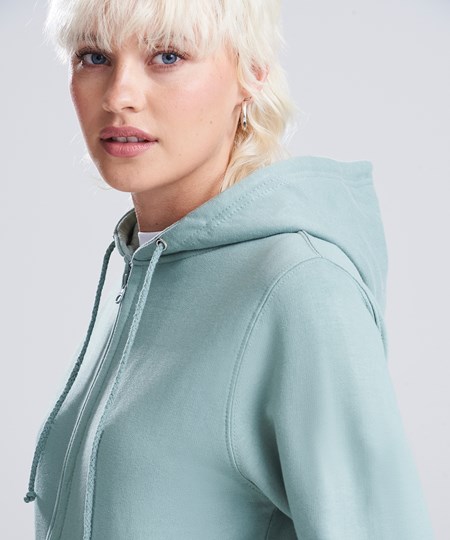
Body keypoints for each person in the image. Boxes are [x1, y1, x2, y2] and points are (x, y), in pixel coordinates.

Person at [23, 0, 436, 539]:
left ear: (252, 72)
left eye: (167, 56)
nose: (119, 95)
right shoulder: (146, 272)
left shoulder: (299, 288)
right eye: (94, 56)